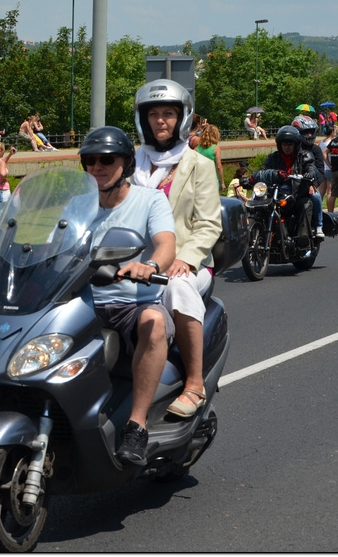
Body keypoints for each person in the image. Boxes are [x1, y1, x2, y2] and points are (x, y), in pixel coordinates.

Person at [75, 126, 176, 465]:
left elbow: (166, 244)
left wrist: (149, 265)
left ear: (127, 164)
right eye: (89, 160)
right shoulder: (77, 205)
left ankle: (137, 425)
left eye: (106, 159)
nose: (97, 167)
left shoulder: (150, 200)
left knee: (154, 323)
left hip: (132, 304)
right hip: (82, 304)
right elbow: (53, 243)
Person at [130, 79, 222, 422]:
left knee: (178, 289)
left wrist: (185, 258)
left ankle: (194, 384)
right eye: (153, 114)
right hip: (136, 262)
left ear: (182, 118)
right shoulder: (129, 163)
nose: (160, 121)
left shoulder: (199, 164)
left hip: (186, 263)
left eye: (168, 113)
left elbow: (210, 224)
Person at [257, 126, 321, 244]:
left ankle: (304, 237)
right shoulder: (273, 157)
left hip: (296, 194)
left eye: (290, 144)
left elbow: (312, 167)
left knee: (306, 204)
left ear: (296, 145)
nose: (287, 147)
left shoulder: (305, 156)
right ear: (280, 145)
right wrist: (252, 178)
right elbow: (263, 170)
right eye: (284, 144)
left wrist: (309, 174)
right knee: (261, 207)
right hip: (276, 193)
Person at [292, 115, 326, 237]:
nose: (310, 135)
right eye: (306, 133)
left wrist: (313, 184)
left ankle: (319, 225)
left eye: (311, 132)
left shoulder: (315, 150)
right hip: (291, 184)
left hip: (308, 183)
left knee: (316, 197)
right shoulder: (292, 148)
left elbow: (320, 171)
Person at [195, 123, 225, 188]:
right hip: (211, 179)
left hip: (199, 179)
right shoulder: (216, 148)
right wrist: (222, 182)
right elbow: (219, 166)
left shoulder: (197, 148)